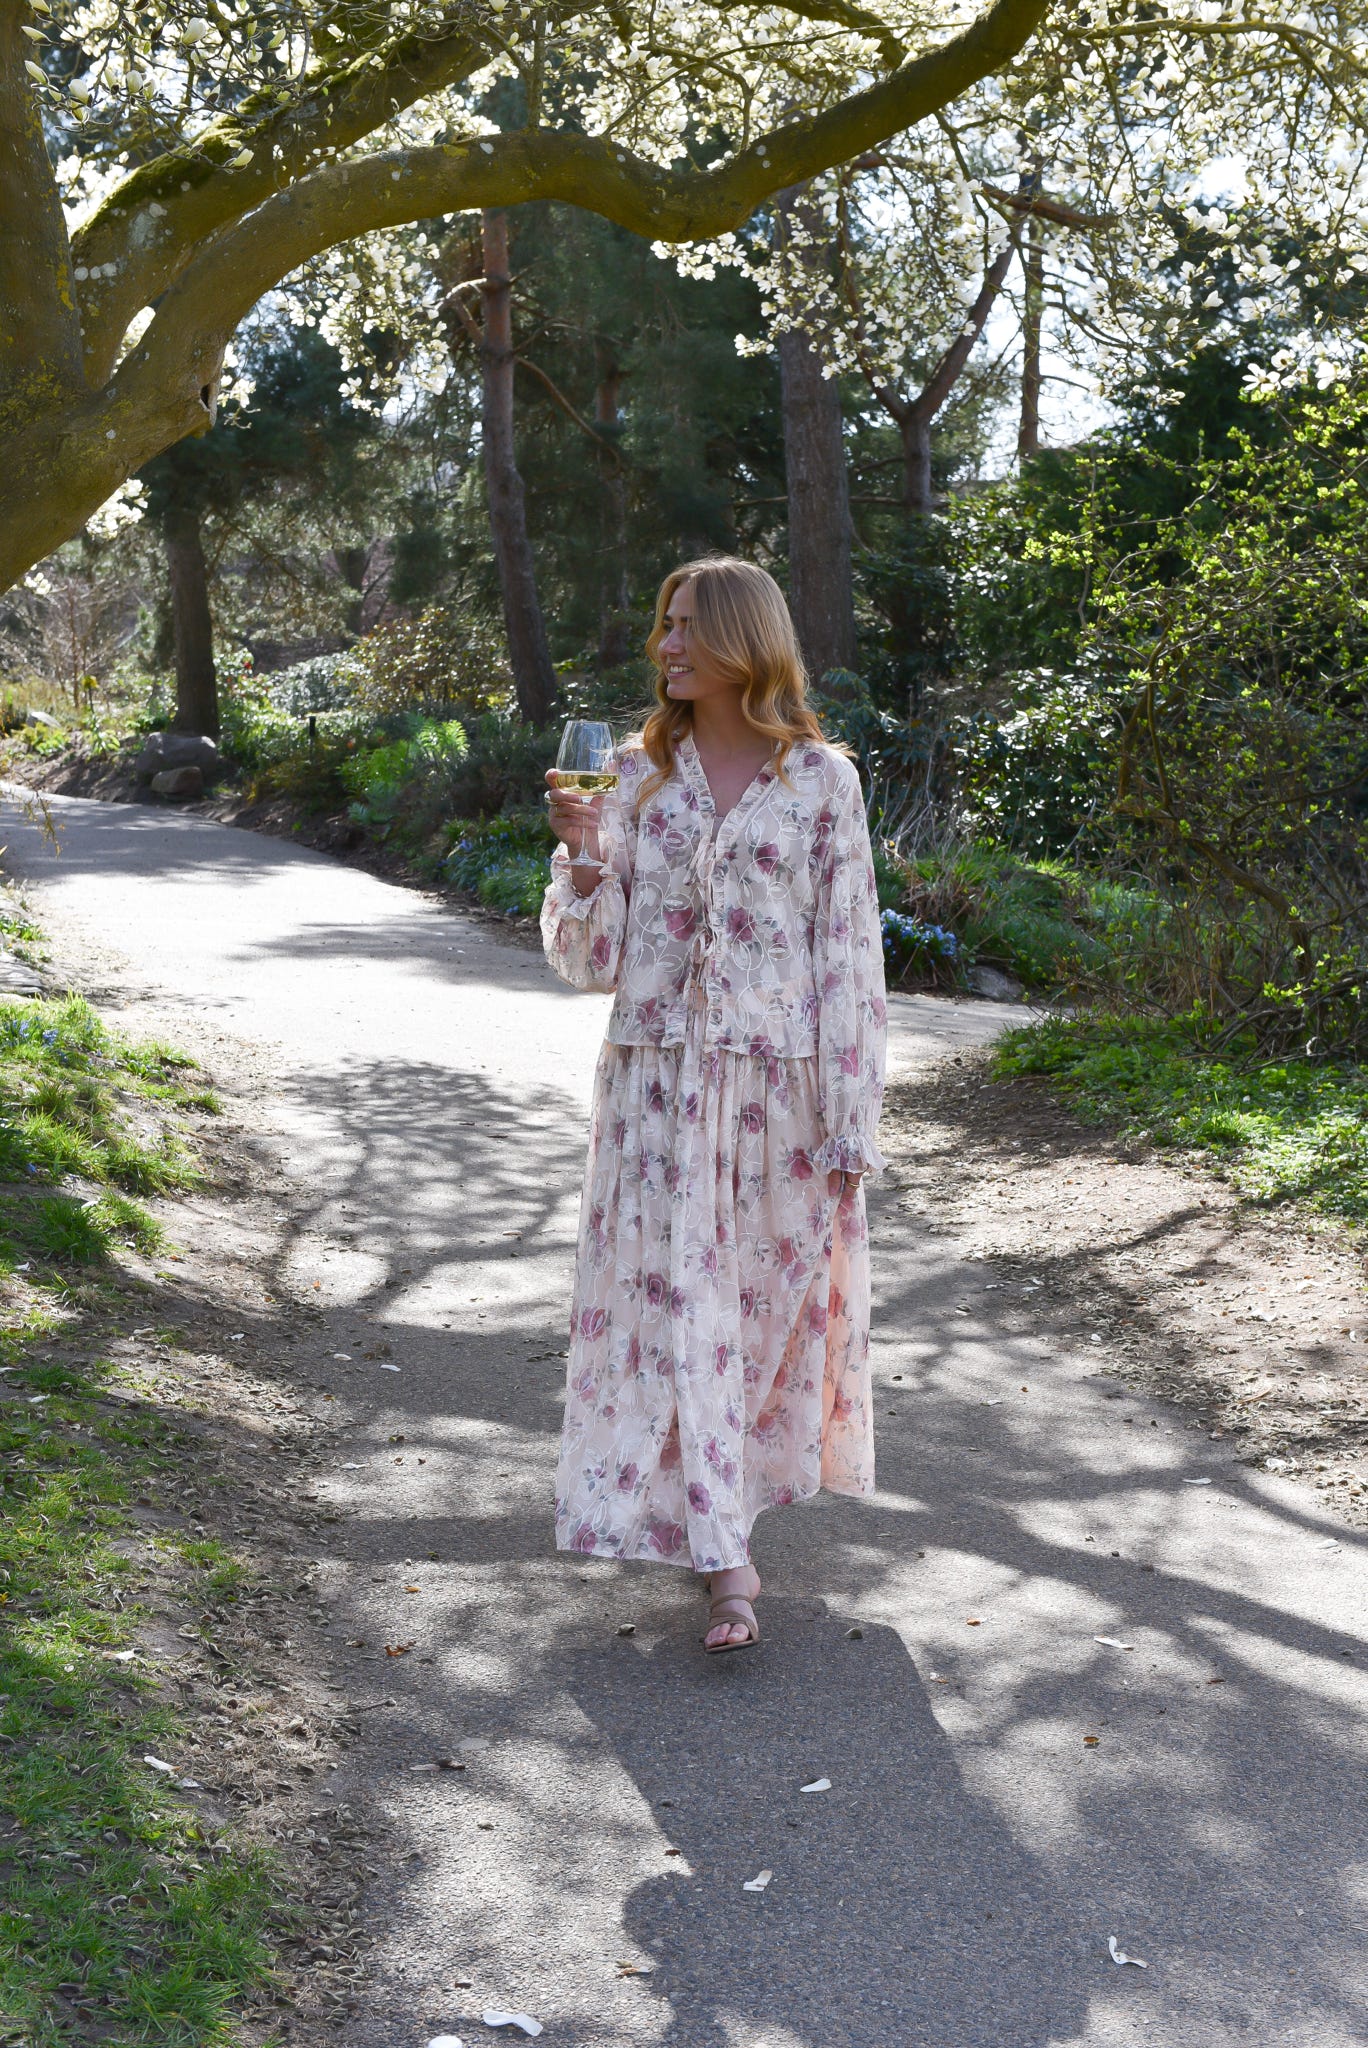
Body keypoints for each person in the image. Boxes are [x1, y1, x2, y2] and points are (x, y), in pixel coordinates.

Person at [540, 557, 887, 1652]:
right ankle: (725, 1558)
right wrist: (583, 862)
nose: (667, 645)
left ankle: (720, 1518)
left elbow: (850, 955)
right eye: (665, 625)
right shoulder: (636, 776)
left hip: (780, 1097)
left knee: (760, 1319)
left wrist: (851, 1119)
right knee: (672, 1313)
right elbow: (591, 964)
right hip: (655, 1091)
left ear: (746, 638)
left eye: (689, 625)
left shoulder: (823, 782)